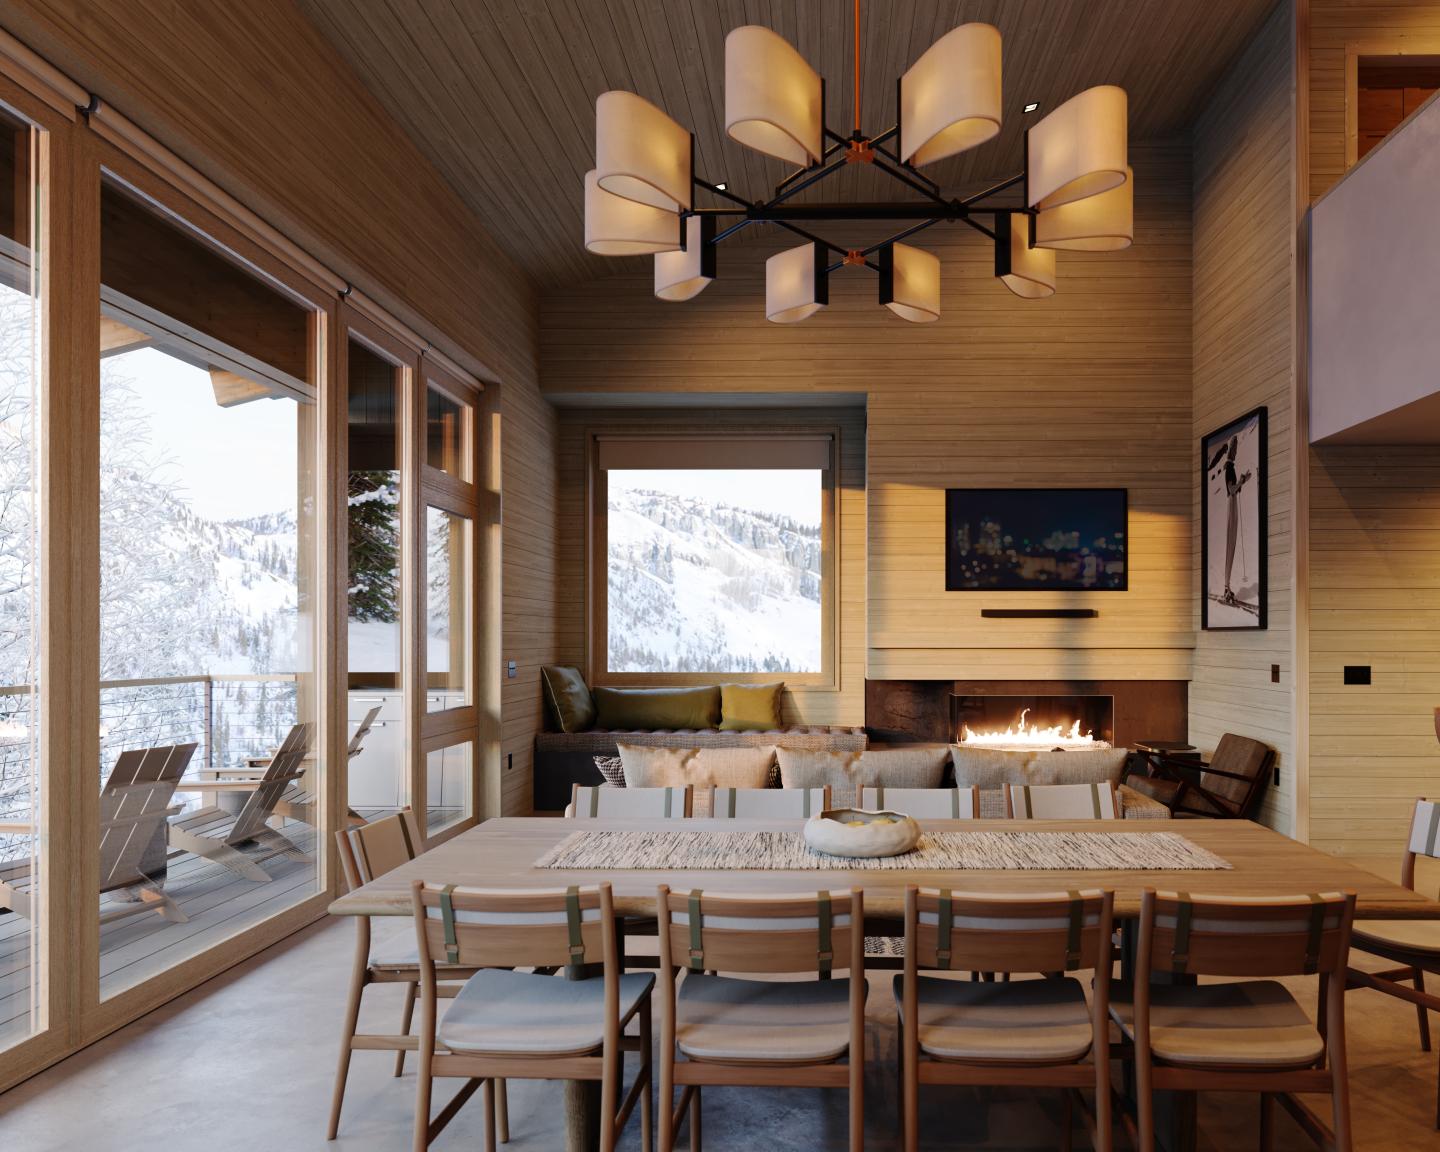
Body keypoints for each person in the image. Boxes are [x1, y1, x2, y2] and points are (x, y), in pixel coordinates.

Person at [1207, 436, 1252, 603]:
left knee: (1231, 544)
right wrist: (1241, 481)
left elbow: (1234, 488)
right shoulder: (1229, 469)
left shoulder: (1230, 467)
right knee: (1230, 544)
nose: (1235, 450)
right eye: (1234, 448)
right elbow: (1231, 489)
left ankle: (1227, 586)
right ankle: (1226, 587)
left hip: (1232, 503)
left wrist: (1243, 481)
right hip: (1231, 503)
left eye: (1236, 448)